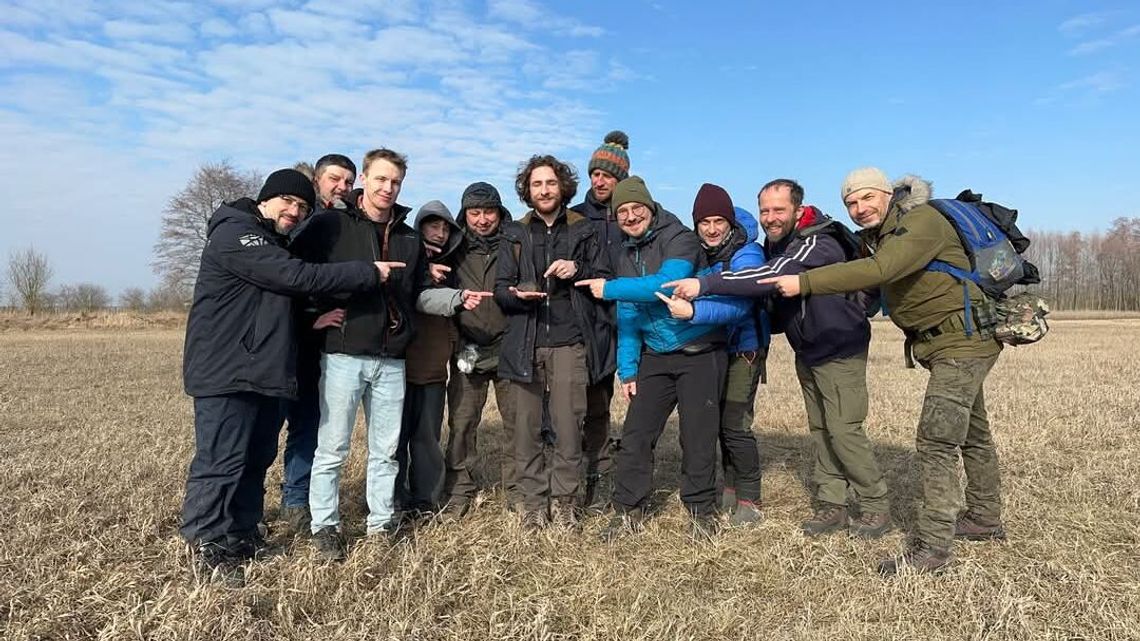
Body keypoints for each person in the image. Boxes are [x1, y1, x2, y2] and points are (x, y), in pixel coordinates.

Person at [761, 168, 1006, 575]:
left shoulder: (921, 221)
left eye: (866, 199)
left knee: (936, 440)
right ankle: (984, 516)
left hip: (963, 342)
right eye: (851, 203)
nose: (859, 209)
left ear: (888, 195)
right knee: (972, 434)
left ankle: (933, 547)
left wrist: (804, 283)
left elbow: (881, 272)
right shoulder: (881, 235)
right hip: (943, 342)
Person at [180, 168, 399, 585]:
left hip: (262, 371)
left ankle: (241, 534)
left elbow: (277, 301)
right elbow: (296, 277)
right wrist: (368, 272)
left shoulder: (272, 240)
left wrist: (310, 321)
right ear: (266, 199)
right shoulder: (237, 234)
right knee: (221, 461)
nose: (295, 211)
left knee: (256, 458)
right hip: (227, 372)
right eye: (288, 202)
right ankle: (206, 543)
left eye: (302, 206)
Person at [668, 178, 890, 539]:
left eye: (779, 210)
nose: (771, 218)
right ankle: (833, 504)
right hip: (810, 349)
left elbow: (771, 276)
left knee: (844, 430)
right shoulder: (780, 242)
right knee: (821, 430)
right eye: (765, 211)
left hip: (840, 347)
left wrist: (705, 285)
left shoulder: (818, 242)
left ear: (798, 211)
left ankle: (875, 506)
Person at [290, 148, 427, 561]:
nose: (388, 188)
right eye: (381, 179)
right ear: (365, 179)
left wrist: (453, 299)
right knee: (332, 447)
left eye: (396, 182)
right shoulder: (330, 224)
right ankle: (324, 526)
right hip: (344, 353)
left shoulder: (409, 237)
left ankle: (381, 523)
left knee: (385, 450)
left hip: (392, 358)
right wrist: (312, 316)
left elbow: (416, 293)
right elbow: (295, 272)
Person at [575, 176, 725, 542]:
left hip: (698, 352)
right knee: (635, 434)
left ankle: (701, 510)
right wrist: (628, 369)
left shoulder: (680, 238)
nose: (629, 216)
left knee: (698, 436)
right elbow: (628, 313)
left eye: (635, 208)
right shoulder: (624, 252)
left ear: (650, 207)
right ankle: (627, 509)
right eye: (621, 211)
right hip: (655, 356)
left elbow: (664, 283)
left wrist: (607, 287)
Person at [494, 155, 611, 530]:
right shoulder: (514, 232)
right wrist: (516, 295)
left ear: (562, 187)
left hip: (569, 340)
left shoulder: (584, 229)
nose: (543, 190)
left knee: (567, 424)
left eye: (550, 183)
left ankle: (565, 501)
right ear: (527, 191)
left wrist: (578, 270)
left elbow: (603, 278)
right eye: (536, 184)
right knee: (526, 426)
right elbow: (499, 289)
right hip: (525, 339)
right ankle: (533, 502)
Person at [658, 183, 768, 526]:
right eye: (704, 221)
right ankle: (729, 489)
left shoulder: (746, 251)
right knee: (711, 421)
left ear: (730, 221)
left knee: (735, 424)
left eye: (719, 220)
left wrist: (694, 311)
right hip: (709, 348)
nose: (712, 228)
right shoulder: (696, 251)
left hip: (742, 349)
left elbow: (742, 298)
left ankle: (749, 497)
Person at [279, 153, 359, 537]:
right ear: (317, 179)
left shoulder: (344, 221)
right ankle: (292, 499)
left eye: (347, 181)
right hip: (288, 340)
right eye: (334, 179)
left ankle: (299, 499)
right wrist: (310, 319)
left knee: (310, 423)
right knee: (278, 424)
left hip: (321, 342)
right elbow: (287, 281)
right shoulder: (302, 224)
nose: (341, 187)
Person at [396, 200, 489, 517]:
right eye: (433, 225)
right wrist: (423, 269)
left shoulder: (452, 266)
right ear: (420, 227)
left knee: (427, 439)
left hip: (435, 368)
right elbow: (415, 297)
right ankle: (394, 499)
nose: (439, 232)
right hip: (400, 365)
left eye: (445, 227)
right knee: (394, 441)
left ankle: (425, 499)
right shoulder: (406, 255)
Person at [440, 182, 518, 519]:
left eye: (489, 212)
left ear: (500, 213)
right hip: (467, 349)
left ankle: (518, 490)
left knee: (519, 424)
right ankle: (458, 489)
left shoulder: (516, 245)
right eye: (475, 213)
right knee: (462, 423)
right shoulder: (453, 248)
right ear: (465, 214)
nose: (483, 219)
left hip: (509, 346)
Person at [570, 132, 628, 510]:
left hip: (622, 317)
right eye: (595, 174)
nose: (599, 181)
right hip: (584, 320)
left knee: (604, 400)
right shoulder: (576, 216)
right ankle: (578, 470)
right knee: (579, 399)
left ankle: (604, 468)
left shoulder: (632, 214)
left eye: (607, 175)